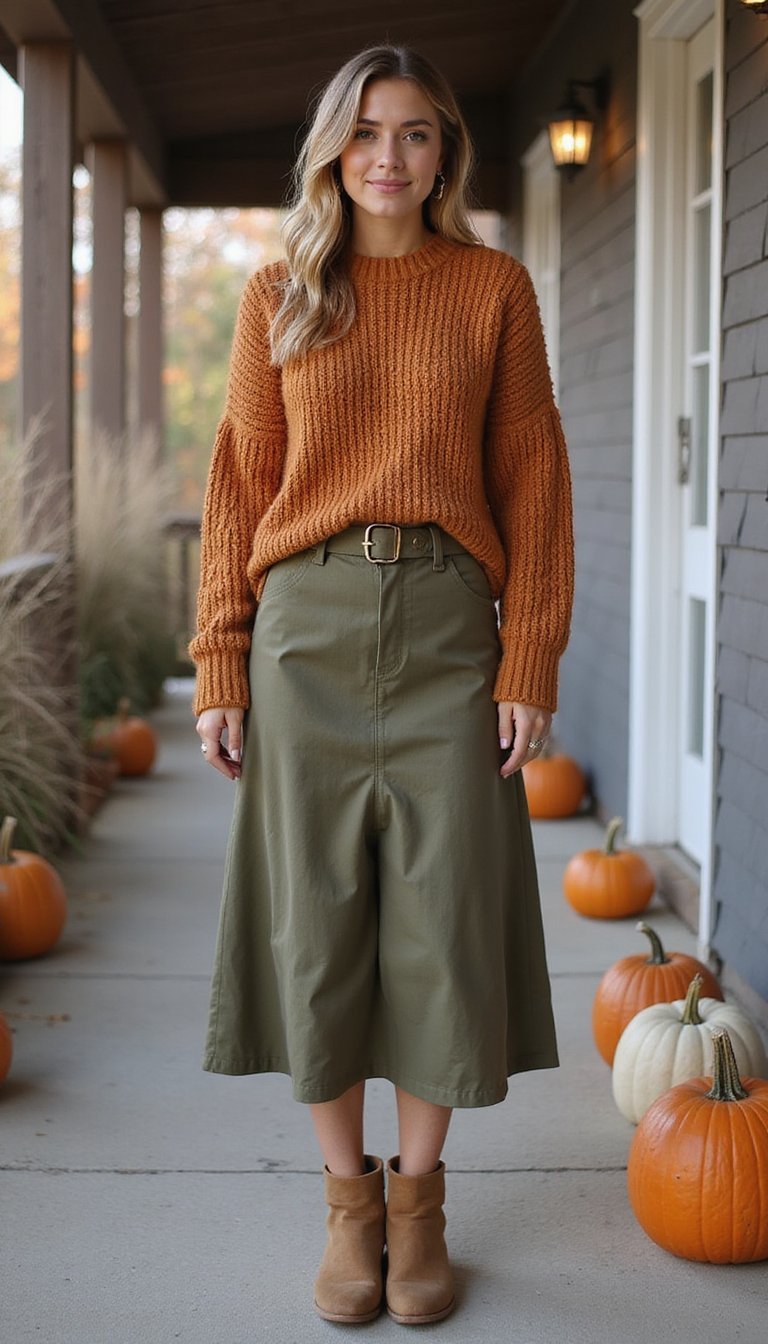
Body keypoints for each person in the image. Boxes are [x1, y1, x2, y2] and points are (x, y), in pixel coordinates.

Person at [189, 42, 574, 1327]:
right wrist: (223, 658)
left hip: (453, 629)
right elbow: (241, 481)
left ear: (444, 152)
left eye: (414, 133)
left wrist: (531, 654)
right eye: (365, 134)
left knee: (441, 924)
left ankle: (421, 1210)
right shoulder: (280, 294)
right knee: (316, 920)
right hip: (306, 625)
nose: (389, 157)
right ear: (331, 154)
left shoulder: (492, 290)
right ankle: (348, 1212)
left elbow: (533, 475)